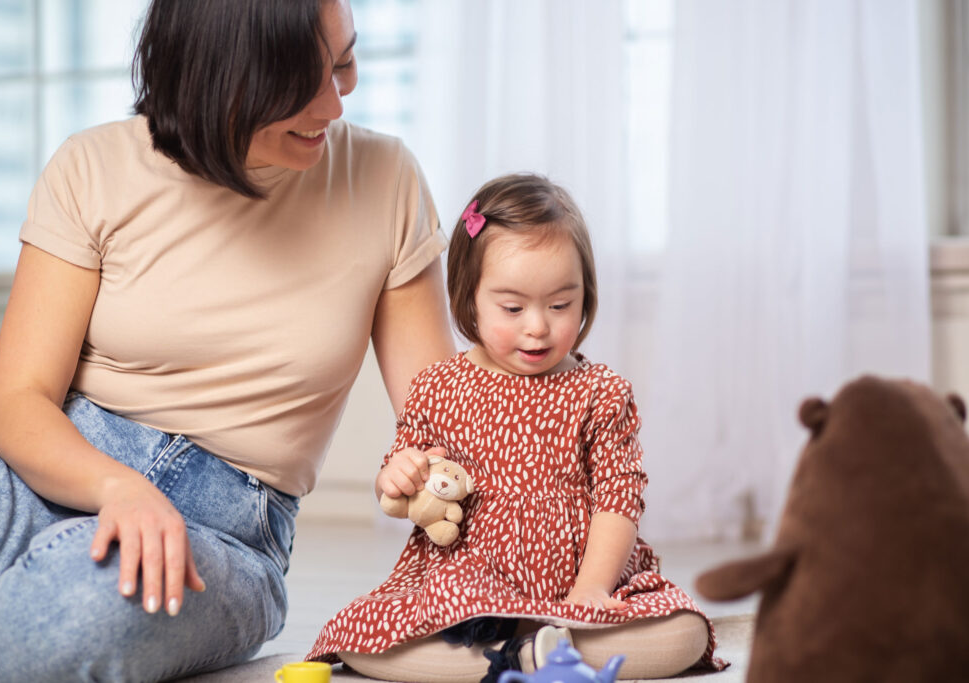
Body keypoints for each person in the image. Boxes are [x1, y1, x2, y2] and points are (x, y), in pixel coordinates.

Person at [0, 0, 455, 680]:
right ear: (219, 75)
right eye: (299, 83)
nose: (334, 104)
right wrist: (120, 488)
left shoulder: (385, 180)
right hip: (58, 461)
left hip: (227, 528)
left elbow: (446, 420)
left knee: (48, 628)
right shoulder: (93, 166)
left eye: (344, 63)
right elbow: (18, 401)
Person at [306, 174, 726, 682]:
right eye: (512, 308)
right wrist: (395, 476)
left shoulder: (601, 391)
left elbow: (619, 499)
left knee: (687, 633)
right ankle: (521, 652)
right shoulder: (439, 386)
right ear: (470, 300)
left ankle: (542, 647)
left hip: (582, 585)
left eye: (560, 305)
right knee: (362, 640)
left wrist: (590, 593)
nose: (537, 326)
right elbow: (404, 478)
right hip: (472, 589)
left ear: (585, 296)